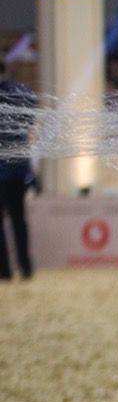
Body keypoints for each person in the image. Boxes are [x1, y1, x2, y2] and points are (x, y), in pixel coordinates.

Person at [0, 62, 36, 281]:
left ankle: (4, 270)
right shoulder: (21, 92)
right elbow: (29, 123)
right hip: (17, 169)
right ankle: (25, 267)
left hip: (6, 168)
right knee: (19, 220)